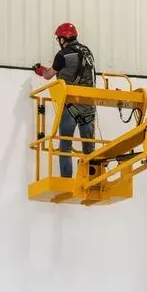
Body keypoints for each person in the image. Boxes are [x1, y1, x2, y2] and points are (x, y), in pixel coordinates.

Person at [32, 23, 96, 178]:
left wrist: (39, 69)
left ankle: (66, 179)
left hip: (70, 105)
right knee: (89, 147)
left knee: (65, 145)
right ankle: (92, 178)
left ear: (63, 38)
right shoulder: (88, 52)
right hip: (89, 104)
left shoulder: (63, 55)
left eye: (58, 38)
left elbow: (48, 75)